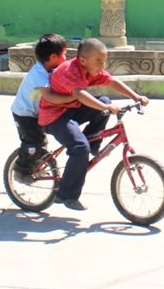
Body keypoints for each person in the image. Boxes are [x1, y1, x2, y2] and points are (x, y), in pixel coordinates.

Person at [38, 37, 149, 211]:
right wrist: (106, 107)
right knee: (80, 147)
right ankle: (65, 195)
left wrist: (135, 96)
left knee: (103, 100)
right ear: (82, 60)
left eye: (104, 61)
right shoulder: (69, 70)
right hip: (55, 117)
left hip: (71, 109)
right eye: (98, 61)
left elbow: (111, 81)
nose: (102, 65)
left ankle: (92, 142)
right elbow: (80, 94)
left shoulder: (91, 70)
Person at [10, 33, 74, 175]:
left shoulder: (50, 69)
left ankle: (37, 167)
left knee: (41, 142)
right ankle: (20, 170)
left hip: (36, 113)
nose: (66, 58)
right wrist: (72, 98)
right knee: (33, 144)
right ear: (53, 57)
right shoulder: (39, 73)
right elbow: (50, 96)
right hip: (24, 114)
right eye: (64, 54)